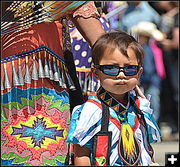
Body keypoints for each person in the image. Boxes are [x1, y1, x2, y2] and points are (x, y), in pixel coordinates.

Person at [1, 1, 105, 166]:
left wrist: (119, 67)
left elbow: (99, 39)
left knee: (46, 154)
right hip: (24, 79)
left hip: (46, 84)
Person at [67, 31, 161, 166]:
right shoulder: (90, 112)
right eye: (111, 68)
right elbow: (81, 155)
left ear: (139, 72)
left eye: (130, 69)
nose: (121, 75)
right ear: (96, 73)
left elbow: (147, 149)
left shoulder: (141, 108)